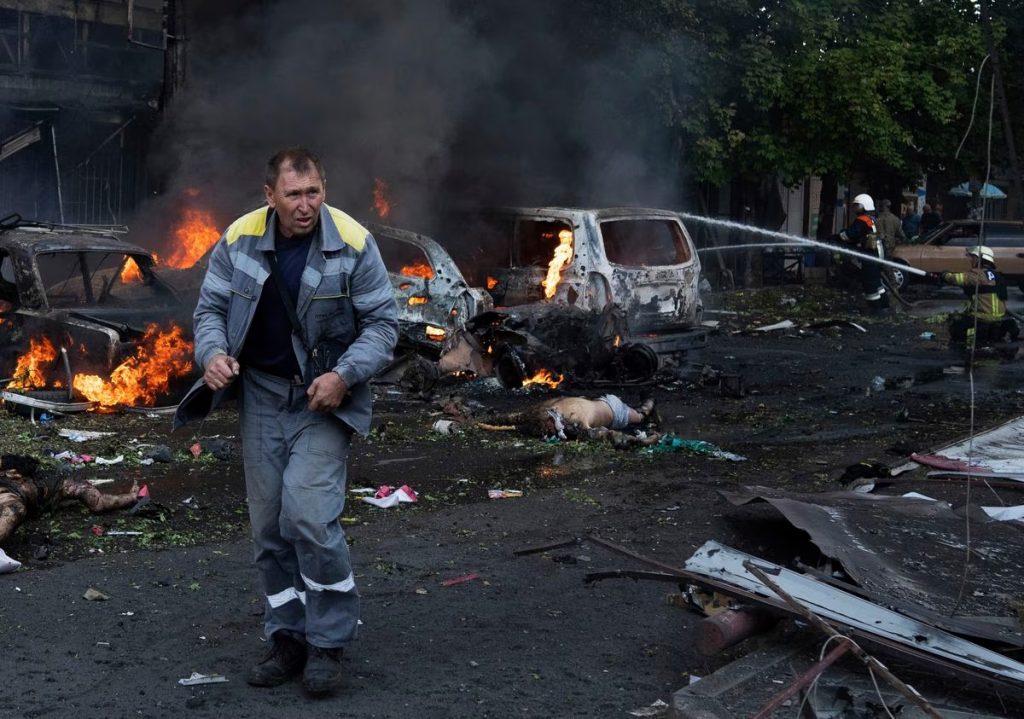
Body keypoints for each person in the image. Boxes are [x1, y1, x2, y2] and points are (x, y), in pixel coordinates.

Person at [173, 148, 399, 696]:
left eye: (314, 192)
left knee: (310, 518)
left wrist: (344, 375)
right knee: (269, 526)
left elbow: (384, 325)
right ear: (269, 195)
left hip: (323, 400)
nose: (306, 205)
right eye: (294, 194)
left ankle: (327, 644)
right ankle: (287, 638)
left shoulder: (352, 241)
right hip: (263, 397)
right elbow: (209, 312)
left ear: (325, 188)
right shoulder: (238, 238)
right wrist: (213, 354)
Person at [0, 454, 139, 545]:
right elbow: (98, 502)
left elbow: (98, 502)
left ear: (14, 474)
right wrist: (130, 497)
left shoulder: (57, 483)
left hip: (13, 498)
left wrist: (131, 497)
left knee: (13, 508)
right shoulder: (58, 482)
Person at [927, 246, 1019, 348]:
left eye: (972, 257)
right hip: (999, 318)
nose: (970, 259)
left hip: (982, 317)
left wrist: (945, 275)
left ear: (980, 258)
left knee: (956, 325)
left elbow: (958, 279)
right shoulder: (997, 276)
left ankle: (963, 347)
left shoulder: (979, 274)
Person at [485, 395, 660, 448]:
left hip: (615, 411)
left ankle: (650, 402)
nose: (550, 433)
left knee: (640, 417)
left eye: (548, 429)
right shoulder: (547, 409)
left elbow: (602, 434)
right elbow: (517, 417)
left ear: (549, 421)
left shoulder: (573, 420)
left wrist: (639, 441)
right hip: (600, 401)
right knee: (638, 413)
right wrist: (486, 422)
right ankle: (647, 404)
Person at [830, 193, 888, 313]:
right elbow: (861, 236)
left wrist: (837, 237)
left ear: (864, 206)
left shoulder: (862, 220)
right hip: (877, 254)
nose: (855, 208)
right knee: (876, 282)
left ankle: (875, 309)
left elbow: (851, 234)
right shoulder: (872, 219)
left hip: (870, 255)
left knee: (869, 282)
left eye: (857, 205)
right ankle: (884, 305)